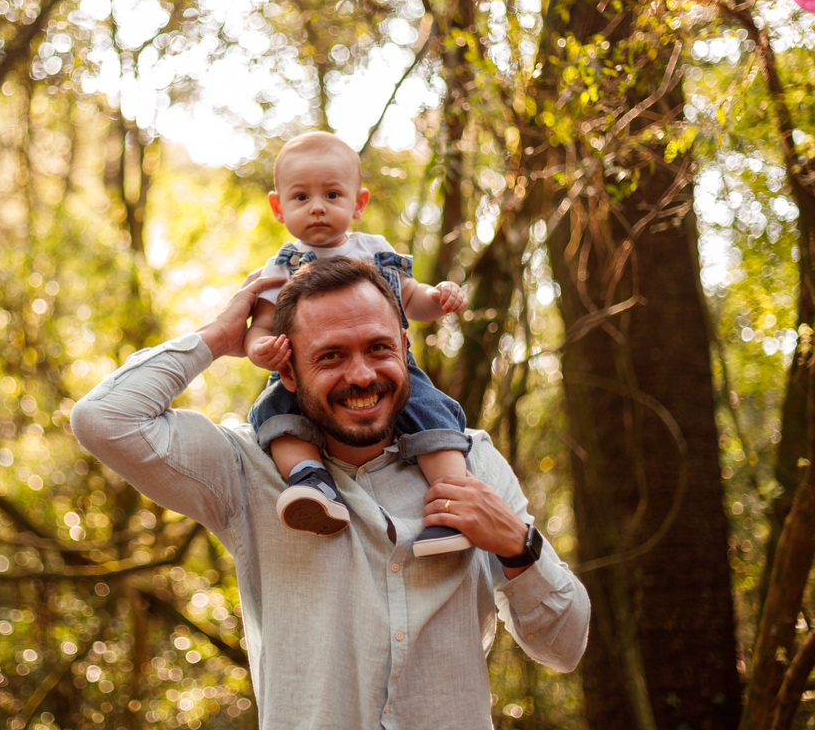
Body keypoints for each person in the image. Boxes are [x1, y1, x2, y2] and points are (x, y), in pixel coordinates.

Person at [70, 257, 589, 729]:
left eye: (380, 348)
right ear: (288, 371)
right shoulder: (244, 469)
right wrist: (220, 336)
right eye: (331, 357)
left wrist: (518, 546)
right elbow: (104, 418)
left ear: (406, 349)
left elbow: (564, 648)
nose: (362, 375)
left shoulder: (471, 461)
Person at [244, 131, 472, 556]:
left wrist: (439, 298)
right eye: (300, 197)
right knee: (274, 415)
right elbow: (259, 328)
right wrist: (262, 350)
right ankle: (312, 482)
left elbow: (413, 301)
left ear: (358, 202)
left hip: (393, 366)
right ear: (278, 207)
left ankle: (450, 502)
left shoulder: (375, 251)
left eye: (332, 194)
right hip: (302, 375)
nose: (317, 207)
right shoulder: (278, 270)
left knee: (431, 411)